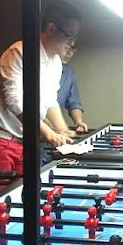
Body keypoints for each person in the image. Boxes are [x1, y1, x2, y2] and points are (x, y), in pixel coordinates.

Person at [0, 0, 77, 177]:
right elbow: (15, 102)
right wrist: (48, 133)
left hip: (26, 140)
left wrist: (61, 129)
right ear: (51, 29)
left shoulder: (56, 62)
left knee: (25, 191)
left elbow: (50, 100)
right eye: (69, 35)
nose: (72, 43)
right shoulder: (19, 52)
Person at [40, 37, 87, 165]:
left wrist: (78, 122)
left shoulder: (68, 73)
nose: (69, 52)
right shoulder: (38, 65)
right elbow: (23, 104)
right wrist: (51, 129)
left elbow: (73, 102)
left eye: (73, 48)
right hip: (35, 131)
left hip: (53, 134)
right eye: (68, 46)